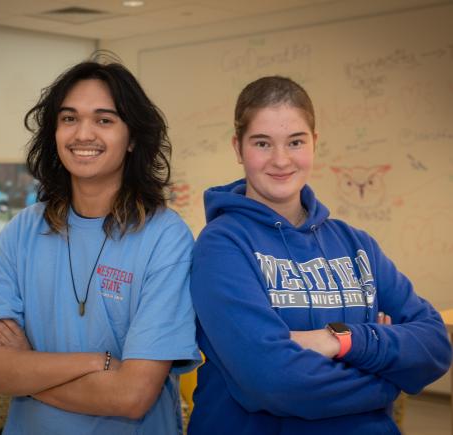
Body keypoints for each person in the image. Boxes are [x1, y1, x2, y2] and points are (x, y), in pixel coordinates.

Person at [188, 76, 451, 435]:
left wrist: (341, 339)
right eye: (262, 143)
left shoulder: (356, 244)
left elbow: (435, 346)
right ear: (238, 148)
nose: (281, 160)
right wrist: (389, 380)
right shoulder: (221, 246)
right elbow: (271, 381)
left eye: (295, 141)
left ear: (315, 143)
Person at [0, 56, 201, 435]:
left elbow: (132, 396)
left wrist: (26, 368)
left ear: (133, 138)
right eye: (69, 118)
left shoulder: (165, 238)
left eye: (104, 120)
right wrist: (100, 362)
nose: (82, 135)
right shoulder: (21, 232)